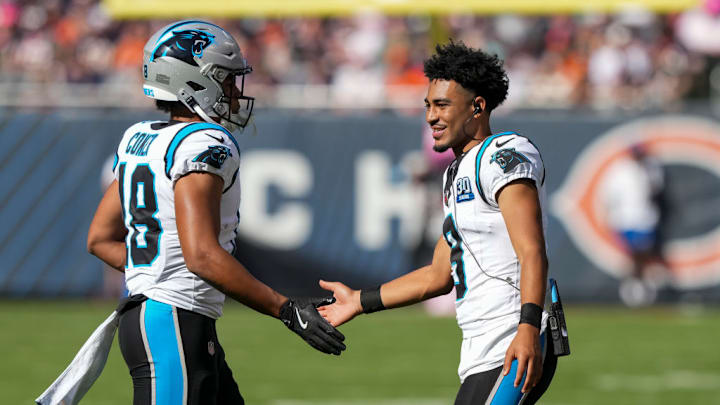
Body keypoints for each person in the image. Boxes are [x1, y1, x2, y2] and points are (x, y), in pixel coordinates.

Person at [86, 20, 345, 405]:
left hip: (162, 321)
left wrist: (156, 271)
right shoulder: (205, 142)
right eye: (225, 81)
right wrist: (287, 309)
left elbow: (100, 239)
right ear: (193, 81)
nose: (234, 95)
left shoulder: (142, 138)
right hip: (173, 326)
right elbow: (203, 256)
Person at [318, 41, 558, 405]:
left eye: (442, 105)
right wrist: (359, 301)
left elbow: (532, 251)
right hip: (482, 344)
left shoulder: (502, 155)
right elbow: (437, 275)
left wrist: (527, 327)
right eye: (428, 106)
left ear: (477, 106)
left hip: (512, 334)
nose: (431, 116)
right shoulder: (456, 171)